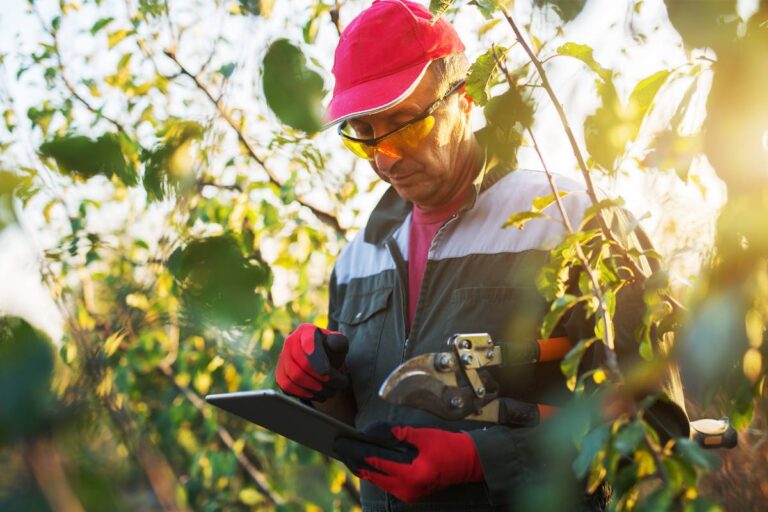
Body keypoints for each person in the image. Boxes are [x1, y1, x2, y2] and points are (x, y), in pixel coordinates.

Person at [275, 1, 688, 510]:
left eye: (404, 124)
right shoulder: (358, 259)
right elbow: (363, 422)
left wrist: (481, 458)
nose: (385, 158)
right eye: (363, 134)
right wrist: (319, 387)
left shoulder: (572, 220)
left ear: (464, 99)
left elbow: (656, 422)